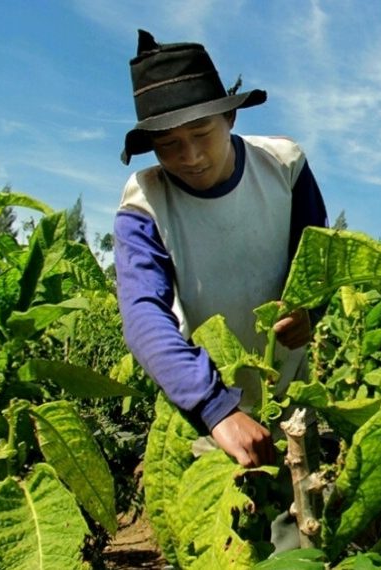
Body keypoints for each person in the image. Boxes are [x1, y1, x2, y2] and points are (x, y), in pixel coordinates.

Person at [113, 30, 327, 469]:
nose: (190, 155)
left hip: (290, 391)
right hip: (209, 402)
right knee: (227, 527)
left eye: (201, 132)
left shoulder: (284, 166)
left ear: (229, 119)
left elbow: (319, 264)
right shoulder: (145, 201)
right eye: (169, 144)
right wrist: (216, 409)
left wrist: (311, 313)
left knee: (301, 527)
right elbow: (142, 314)